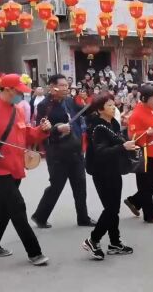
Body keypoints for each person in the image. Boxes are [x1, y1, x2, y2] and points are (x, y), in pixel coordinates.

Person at [0, 74, 51, 266]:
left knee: (3, 207)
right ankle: (34, 252)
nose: (22, 94)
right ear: (7, 89)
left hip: (16, 166)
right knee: (17, 207)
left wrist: (42, 129)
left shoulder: (18, 110)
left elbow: (28, 134)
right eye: (19, 91)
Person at [32, 74, 95, 229]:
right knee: (56, 186)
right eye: (62, 85)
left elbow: (83, 111)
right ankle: (40, 216)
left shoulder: (69, 101)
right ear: (52, 87)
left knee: (80, 184)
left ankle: (83, 217)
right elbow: (41, 129)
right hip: (57, 151)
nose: (66, 88)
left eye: (67, 85)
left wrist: (96, 103)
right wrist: (56, 128)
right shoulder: (45, 106)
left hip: (75, 148)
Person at [81, 94, 136, 260]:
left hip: (113, 169)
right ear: (99, 110)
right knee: (111, 208)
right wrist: (122, 147)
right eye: (109, 105)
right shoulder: (97, 127)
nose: (113, 107)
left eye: (114, 105)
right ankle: (93, 239)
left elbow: (119, 142)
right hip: (101, 171)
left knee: (114, 208)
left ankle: (114, 242)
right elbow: (100, 152)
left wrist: (128, 145)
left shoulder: (113, 122)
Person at [124, 85, 153, 223]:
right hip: (143, 152)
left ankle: (134, 201)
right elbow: (132, 135)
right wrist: (148, 132)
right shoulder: (137, 114)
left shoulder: (152, 111)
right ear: (144, 98)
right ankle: (149, 214)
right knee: (147, 183)